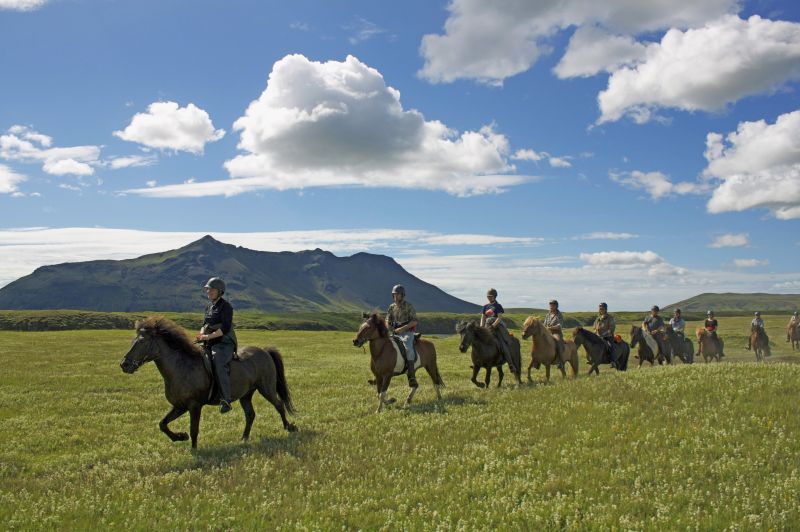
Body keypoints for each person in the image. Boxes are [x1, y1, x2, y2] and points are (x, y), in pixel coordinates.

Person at [196, 277, 237, 414]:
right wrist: (202, 335)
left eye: (212, 290)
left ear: (220, 291)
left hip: (224, 342)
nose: (209, 292)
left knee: (219, 363)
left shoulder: (226, 307)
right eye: (208, 290)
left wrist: (208, 336)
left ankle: (226, 399)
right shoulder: (209, 307)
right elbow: (204, 324)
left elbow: (225, 328)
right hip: (209, 341)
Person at [386, 284, 419, 388]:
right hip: (394, 332)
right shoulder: (391, 307)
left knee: (408, 349)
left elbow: (414, 321)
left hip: (407, 333)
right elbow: (387, 318)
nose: (395, 296)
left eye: (398, 294)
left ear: (402, 295)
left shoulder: (409, 306)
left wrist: (402, 329)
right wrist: (388, 326)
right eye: (394, 294)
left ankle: (411, 377)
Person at [480, 289, 518, 373]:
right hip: (487, 325)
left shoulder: (498, 306)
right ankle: (477, 362)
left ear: (494, 296)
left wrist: (494, 325)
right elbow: (483, 317)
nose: (489, 298)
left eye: (491, 296)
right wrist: (481, 327)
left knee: (502, 342)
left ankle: (511, 364)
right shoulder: (485, 306)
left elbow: (499, 317)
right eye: (488, 296)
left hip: (496, 326)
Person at [593, 302, 618, 367]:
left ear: (605, 309)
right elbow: (594, 327)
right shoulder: (598, 318)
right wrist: (595, 331)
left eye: (602, 308)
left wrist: (605, 333)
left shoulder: (609, 317)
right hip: (598, 336)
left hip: (607, 336)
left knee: (610, 346)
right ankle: (592, 359)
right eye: (600, 308)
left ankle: (613, 361)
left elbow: (612, 327)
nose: (600, 310)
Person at [544, 299, 566, 370]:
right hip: (548, 333)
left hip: (556, 333)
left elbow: (560, 325)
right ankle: (537, 361)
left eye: (552, 305)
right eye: (550, 305)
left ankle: (560, 362)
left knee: (558, 341)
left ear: (556, 306)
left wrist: (550, 327)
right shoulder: (548, 315)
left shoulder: (559, 315)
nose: (551, 307)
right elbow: (544, 324)